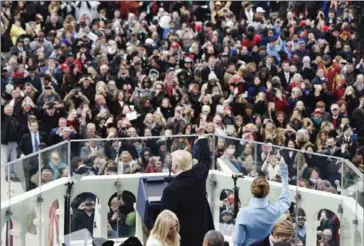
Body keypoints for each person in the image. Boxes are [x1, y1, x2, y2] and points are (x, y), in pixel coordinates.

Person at [161, 125, 214, 246]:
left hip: (184, 240)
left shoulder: (170, 189)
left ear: (175, 167)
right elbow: (205, 159)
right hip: (203, 235)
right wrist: (201, 136)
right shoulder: (199, 175)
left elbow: (166, 219)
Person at [233, 155, 290, 246]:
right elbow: (286, 199)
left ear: (252, 191)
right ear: (267, 192)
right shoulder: (274, 210)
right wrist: (283, 170)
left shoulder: (243, 213)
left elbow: (237, 241)